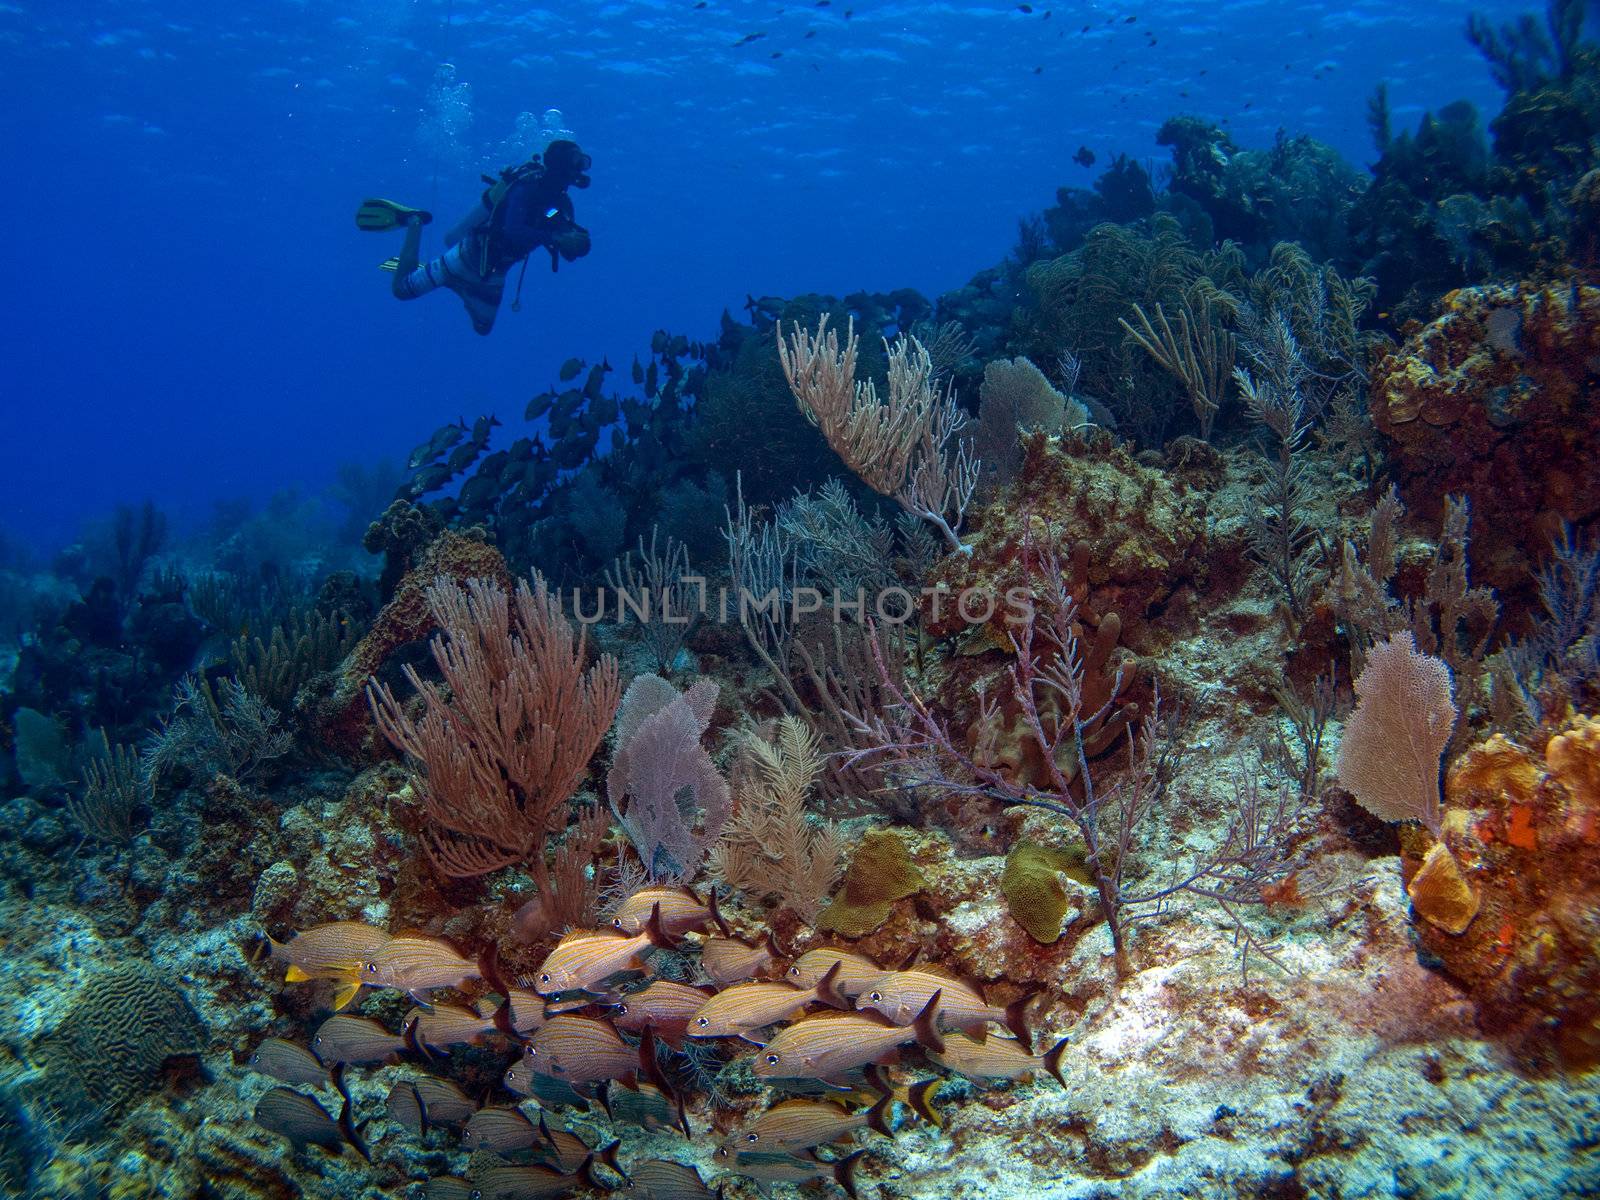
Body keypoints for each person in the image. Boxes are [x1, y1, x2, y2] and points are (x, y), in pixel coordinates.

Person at [355, 139, 593, 336]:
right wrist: (552, 236)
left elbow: (569, 251)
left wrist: (577, 243)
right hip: (468, 257)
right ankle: (414, 221)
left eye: (583, 162)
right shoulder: (527, 188)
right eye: (577, 162)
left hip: (494, 274)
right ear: (562, 165)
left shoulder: (562, 204)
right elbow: (513, 230)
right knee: (401, 290)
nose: (581, 168)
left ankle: (458, 285)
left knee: (483, 328)